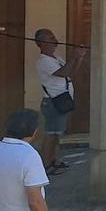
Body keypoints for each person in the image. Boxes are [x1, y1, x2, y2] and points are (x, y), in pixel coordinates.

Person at [33, 28, 86, 174]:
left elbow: (71, 75)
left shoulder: (56, 59)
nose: (54, 38)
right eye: (50, 37)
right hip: (53, 103)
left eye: (53, 35)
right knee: (50, 134)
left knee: (56, 134)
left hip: (62, 101)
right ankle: (46, 165)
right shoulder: (43, 61)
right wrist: (74, 58)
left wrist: (79, 58)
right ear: (41, 42)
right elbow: (63, 73)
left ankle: (53, 160)